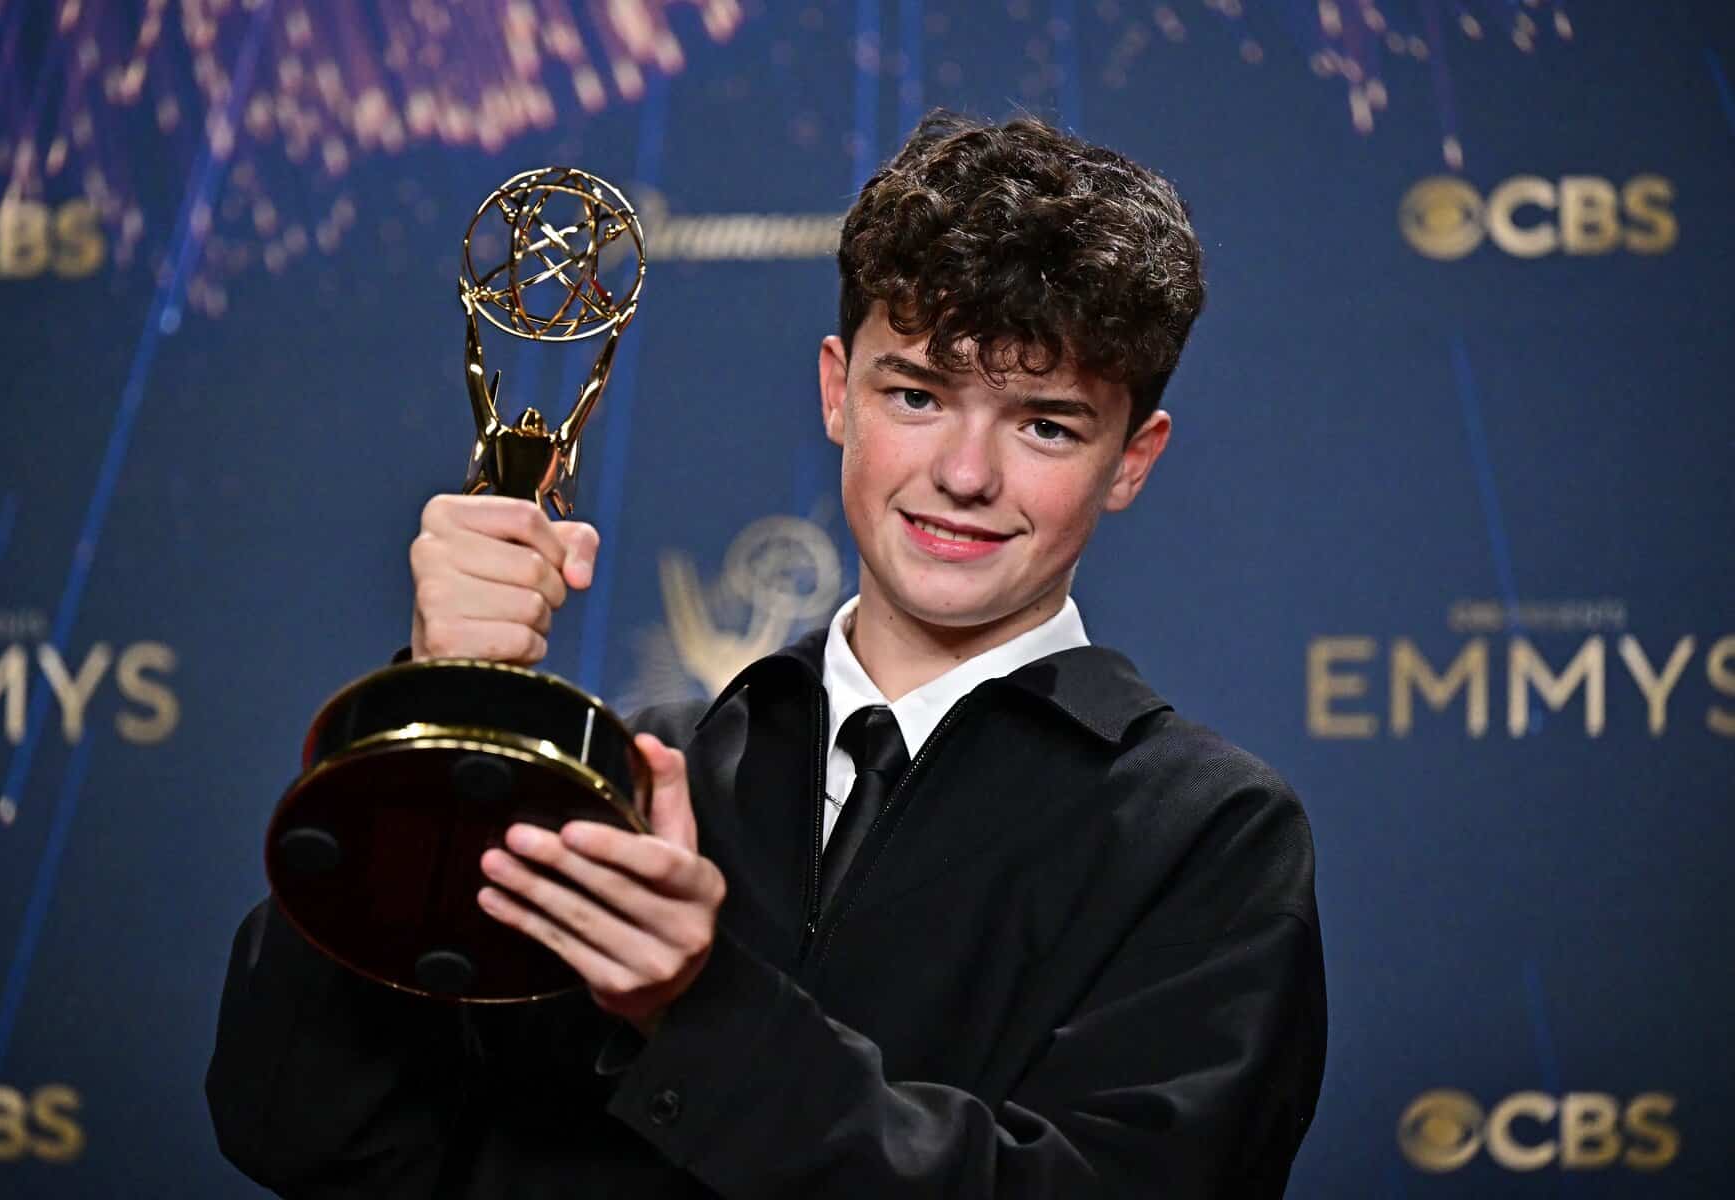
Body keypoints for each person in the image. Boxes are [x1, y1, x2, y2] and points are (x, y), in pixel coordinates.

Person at [207, 109, 1326, 1198]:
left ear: (1132, 459)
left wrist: (692, 1009)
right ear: (838, 390)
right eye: (918, 394)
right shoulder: (634, 775)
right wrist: (432, 706)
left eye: (1045, 423)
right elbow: (302, 1130)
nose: (966, 474)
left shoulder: (1209, 833)